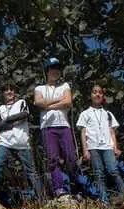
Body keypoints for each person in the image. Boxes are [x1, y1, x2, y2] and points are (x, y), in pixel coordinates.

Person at [0, 83, 42, 204]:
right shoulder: (0, 109)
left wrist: (7, 120)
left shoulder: (21, 103)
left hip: (22, 142)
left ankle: (41, 199)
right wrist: (13, 122)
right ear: (3, 93)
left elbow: (24, 115)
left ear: (15, 92)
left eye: (11, 89)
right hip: (5, 142)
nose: (9, 92)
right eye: (6, 90)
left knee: (31, 171)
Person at [34, 57, 80, 197]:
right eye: (52, 69)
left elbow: (68, 101)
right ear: (47, 71)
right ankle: (58, 188)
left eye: (57, 69)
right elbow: (38, 102)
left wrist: (47, 105)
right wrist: (59, 101)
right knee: (53, 159)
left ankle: (76, 188)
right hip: (48, 127)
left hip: (63, 126)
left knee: (71, 158)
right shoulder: (39, 88)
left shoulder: (65, 86)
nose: (55, 71)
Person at [76, 83, 124, 204]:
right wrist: (85, 150)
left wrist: (116, 147)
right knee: (99, 174)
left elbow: (112, 131)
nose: (97, 94)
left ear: (103, 96)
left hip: (108, 146)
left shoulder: (108, 114)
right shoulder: (85, 113)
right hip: (93, 147)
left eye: (100, 92)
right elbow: (83, 132)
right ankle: (104, 202)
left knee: (113, 170)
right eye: (94, 92)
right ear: (91, 95)